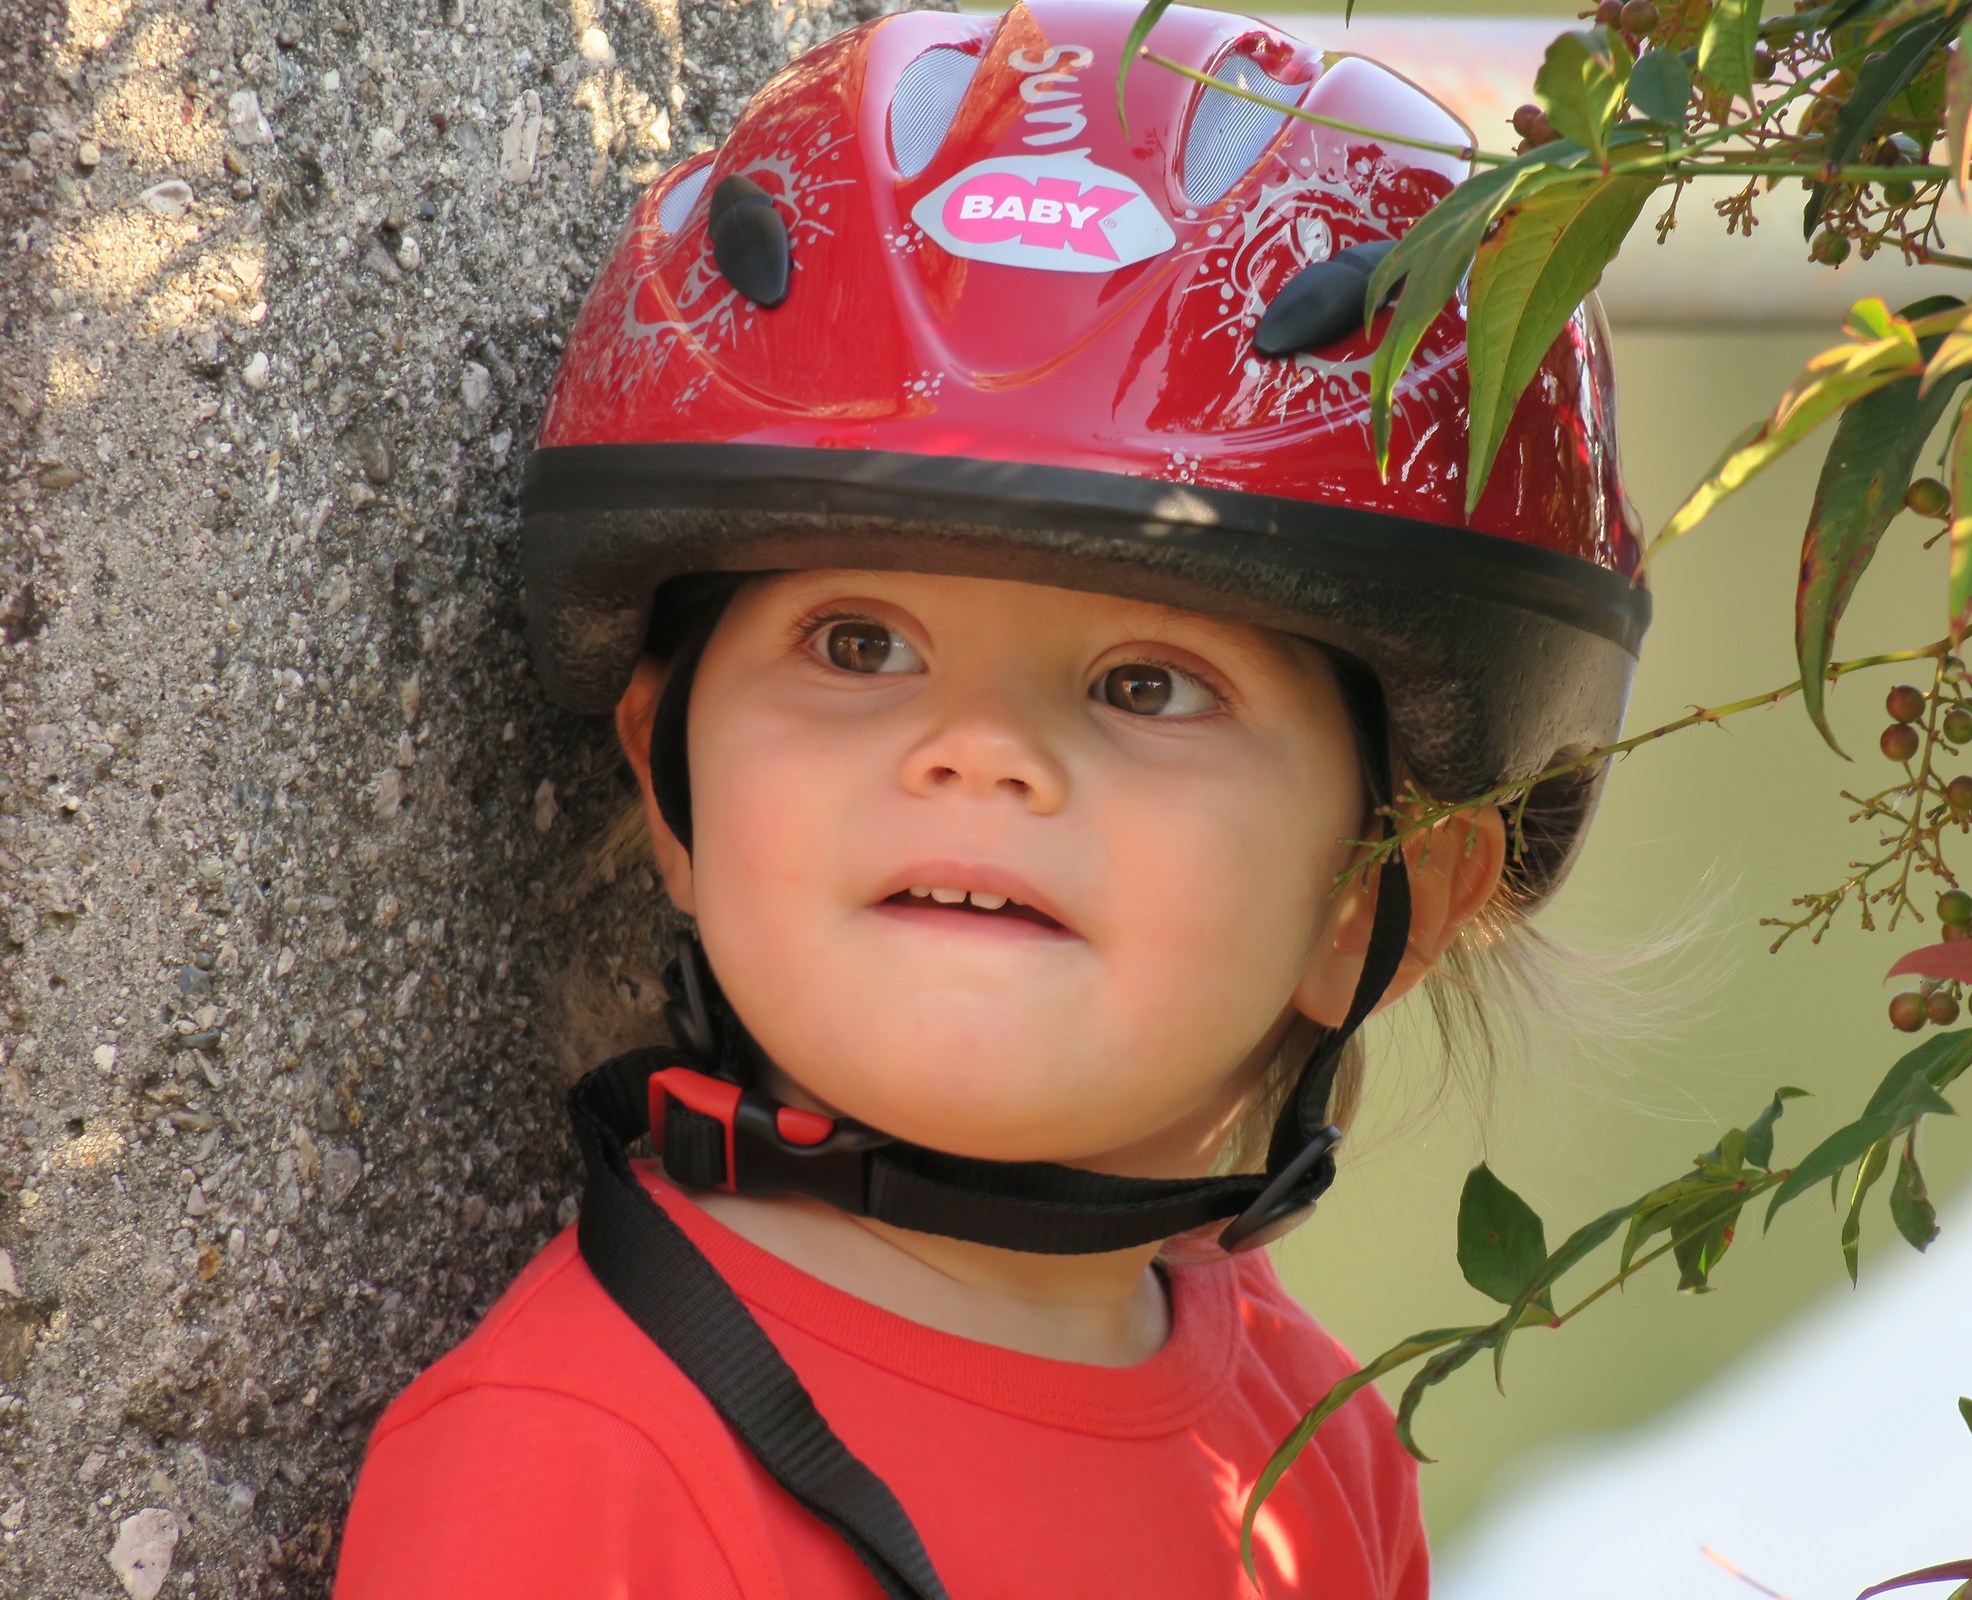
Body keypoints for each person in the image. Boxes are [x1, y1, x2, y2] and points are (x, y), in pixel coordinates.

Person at [332, 2, 1648, 1595]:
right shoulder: (576, 1469)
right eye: (859, 643)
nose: (978, 754)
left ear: (1385, 895)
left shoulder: (1314, 1454)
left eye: (1146, 684)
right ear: (670, 791)